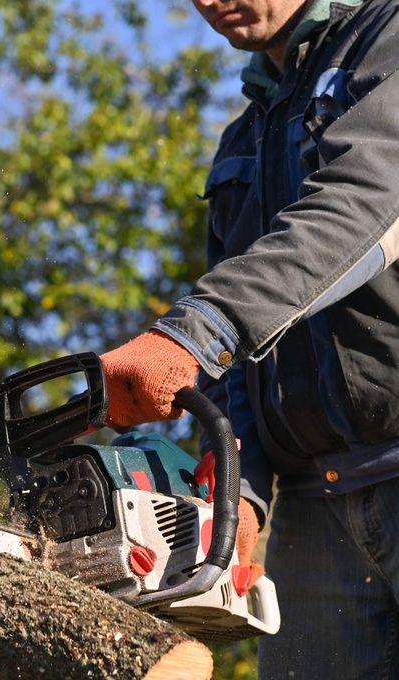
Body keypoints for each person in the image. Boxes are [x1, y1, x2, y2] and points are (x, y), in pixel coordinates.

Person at [99, 0, 399, 676]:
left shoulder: (388, 40)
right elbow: (241, 363)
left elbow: (367, 206)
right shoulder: (246, 135)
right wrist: (243, 489)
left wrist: (194, 331)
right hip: (316, 506)